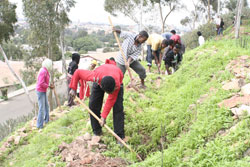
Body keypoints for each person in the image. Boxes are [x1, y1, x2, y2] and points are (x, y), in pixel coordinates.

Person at [69, 59, 125, 140]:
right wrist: (73, 88)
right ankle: (97, 132)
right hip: (101, 74)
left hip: (115, 77)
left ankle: (119, 136)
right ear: (101, 87)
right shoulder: (94, 76)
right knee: (93, 105)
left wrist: (103, 116)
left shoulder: (116, 85)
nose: (109, 94)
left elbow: (110, 100)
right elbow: (77, 72)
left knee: (118, 108)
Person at [36, 58, 54, 129]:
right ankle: (39, 125)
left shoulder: (46, 71)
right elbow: (41, 83)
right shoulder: (43, 71)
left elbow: (45, 81)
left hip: (43, 91)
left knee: (46, 106)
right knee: (42, 108)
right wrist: (48, 86)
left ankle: (47, 120)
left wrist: (49, 84)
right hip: (40, 91)